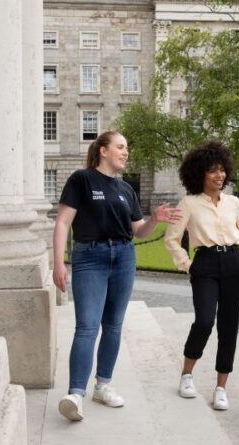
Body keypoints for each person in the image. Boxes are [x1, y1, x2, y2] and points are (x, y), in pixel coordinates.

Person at [53, 131, 182, 422]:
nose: (126, 152)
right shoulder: (82, 180)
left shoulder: (126, 189)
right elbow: (63, 222)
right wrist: (58, 263)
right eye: (120, 147)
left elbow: (139, 231)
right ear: (103, 151)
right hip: (89, 257)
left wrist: (155, 219)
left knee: (113, 325)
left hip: (124, 257)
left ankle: (103, 386)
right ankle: (75, 394)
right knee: (87, 326)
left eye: (127, 148)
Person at [164, 141, 239, 411]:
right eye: (213, 170)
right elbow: (172, 239)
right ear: (200, 173)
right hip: (204, 264)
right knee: (204, 321)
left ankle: (221, 388)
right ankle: (187, 374)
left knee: (229, 326)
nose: (219, 175)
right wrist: (188, 265)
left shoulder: (234, 202)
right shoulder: (188, 203)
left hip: (234, 263)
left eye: (222, 170)